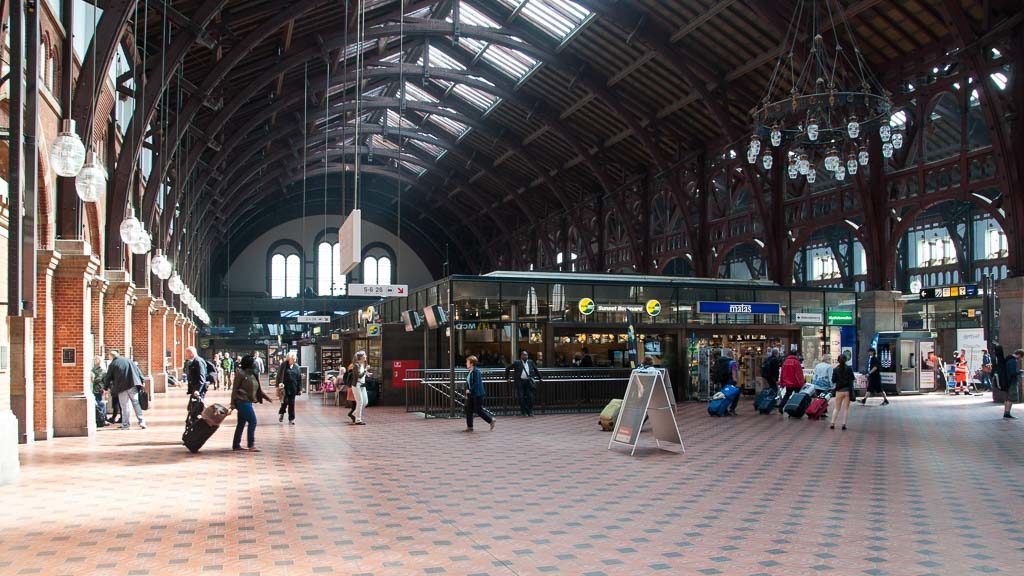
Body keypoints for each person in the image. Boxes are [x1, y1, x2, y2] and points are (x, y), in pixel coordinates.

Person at [231, 355, 273, 451]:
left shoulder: (253, 374)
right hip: (241, 401)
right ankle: (251, 444)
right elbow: (235, 389)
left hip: (248, 401)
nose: (255, 364)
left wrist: (266, 397)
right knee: (253, 421)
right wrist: (232, 403)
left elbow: (257, 389)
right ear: (249, 364)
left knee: (241, 423)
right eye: (253, 362)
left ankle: (236, 444)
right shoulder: (240, 374)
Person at [104, 349, 146, 430]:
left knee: (125, 406)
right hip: (132, 385)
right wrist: (142, 380)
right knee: (136, 403)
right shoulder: (128, 360)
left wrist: (105, 388)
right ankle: (142, 421)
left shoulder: (113, 364)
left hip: (121, 387)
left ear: (111, 357)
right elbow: (137, 370)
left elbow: (108, 377)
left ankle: (126, 424)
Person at [464, 355, 495, 432]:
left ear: (471, 363)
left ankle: (491, 420)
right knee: (469, 410)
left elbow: (476, 383)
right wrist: (468, 390)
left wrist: (470, 390)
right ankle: (470, 427)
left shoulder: (476, 371)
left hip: (478, 394)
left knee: (478, 410)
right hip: (472, 394)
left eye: (467, 362)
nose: (466, 363)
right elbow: (469, 382)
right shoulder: (470, 371)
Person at [506, 350, 541, 417]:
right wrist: (507, 378)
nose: (525, 356)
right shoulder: (517, 362)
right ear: (521, 356)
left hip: (528, 382)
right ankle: (524, 412)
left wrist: (540, 378)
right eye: (524, 355)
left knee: (530, 397)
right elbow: (508, 368)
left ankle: (529, 411)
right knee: (521, 397)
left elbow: (536, 369)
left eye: (526, 355)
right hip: (520, 382)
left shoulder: (530, 362)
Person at [830, 353, 855, 430]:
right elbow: (852, 378)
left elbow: (833, 380)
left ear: (838, 361)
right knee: (846, 408)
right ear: (846, 360)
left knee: (837, 408)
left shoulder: (835, 369)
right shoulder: (849, 368)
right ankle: (844, 424)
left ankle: (832, 423)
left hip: (839, 391)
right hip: (847, 390)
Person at [276, 351, 301, 424]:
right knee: (285, 402)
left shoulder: (296, 367)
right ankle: (282, 413)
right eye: (291, 359)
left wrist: (299, 389)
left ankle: (291, 419)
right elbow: (279, 375)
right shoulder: (284, 365)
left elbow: (299, 378)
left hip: (293, 387)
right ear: (288, 359)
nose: (293, 360)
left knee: (292, 403)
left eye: (294, 359)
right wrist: (279, 384)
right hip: (284, 387)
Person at [995, 345, 1019, 419]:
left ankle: (1006, 412)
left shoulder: (1008, 359)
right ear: (1019, 355)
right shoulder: (1012, 360)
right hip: (1011, 382)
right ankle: (1007, 413)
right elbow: (1012, 372)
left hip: (1006, 381)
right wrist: (1019, 372)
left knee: (1007, 398)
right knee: (1010, 398)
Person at [349, 351, 372, 425]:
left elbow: (362, 375)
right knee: (360, 402)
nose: (366, 356)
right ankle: (358, 420)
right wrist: (366, 370)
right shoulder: (356, 365)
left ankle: (354, 413)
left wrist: (367, 373)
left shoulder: (362, 364)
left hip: (362, 385)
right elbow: (359, 376)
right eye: (364, 355)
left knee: (365, 402)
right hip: (357, 386)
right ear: (360, 357)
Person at [91, 356, 107, 425]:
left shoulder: (102, 370)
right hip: (93, 388)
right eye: (94, 360)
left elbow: (99, 379)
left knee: (100, 404)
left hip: (99, 389)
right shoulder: (92, 369)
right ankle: (99, 418)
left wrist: (92, 379)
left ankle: (102, 418)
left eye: (96, 360)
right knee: (98, 404)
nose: (94, 361)